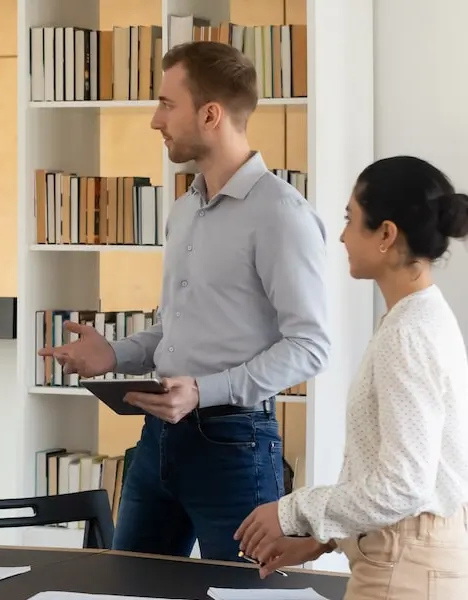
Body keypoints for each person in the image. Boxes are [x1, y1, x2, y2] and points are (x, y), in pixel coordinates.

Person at [38, 40, 330, 562]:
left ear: (211, 113)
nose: (155, 120)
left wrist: (204, 390)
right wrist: (115, 355)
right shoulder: (183, 210)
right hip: (157, 444)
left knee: (243, 597)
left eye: (167, 104)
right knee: (130, 590)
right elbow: (175, 328)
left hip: (235, 446)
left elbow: (309, 346)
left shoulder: (282, 215)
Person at [236, 156, 468, 597]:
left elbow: (404, 487)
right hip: (408, 563)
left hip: (405, 575)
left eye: (350, 219)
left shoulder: (409, 333)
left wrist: (292, 511)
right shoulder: (419, 318)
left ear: (386, 234)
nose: (341, 236)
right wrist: (322, 539)